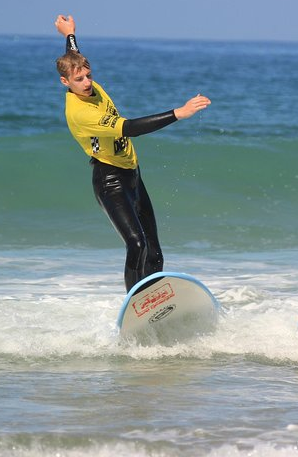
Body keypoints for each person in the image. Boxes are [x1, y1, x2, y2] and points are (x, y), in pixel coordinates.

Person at [54, 15, 211, 292]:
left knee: (155, 253)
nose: (87, 82)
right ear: (65, 82)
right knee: (137, 244)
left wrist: (70, 34)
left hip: (133, 176)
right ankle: (136, 302)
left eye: (89, 75)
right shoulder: (80, 113)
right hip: (110, 181)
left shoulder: (82, 76)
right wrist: (179, 113)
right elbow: (129, 128)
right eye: (79, 80)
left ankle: (155, 303)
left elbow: (74, 55)